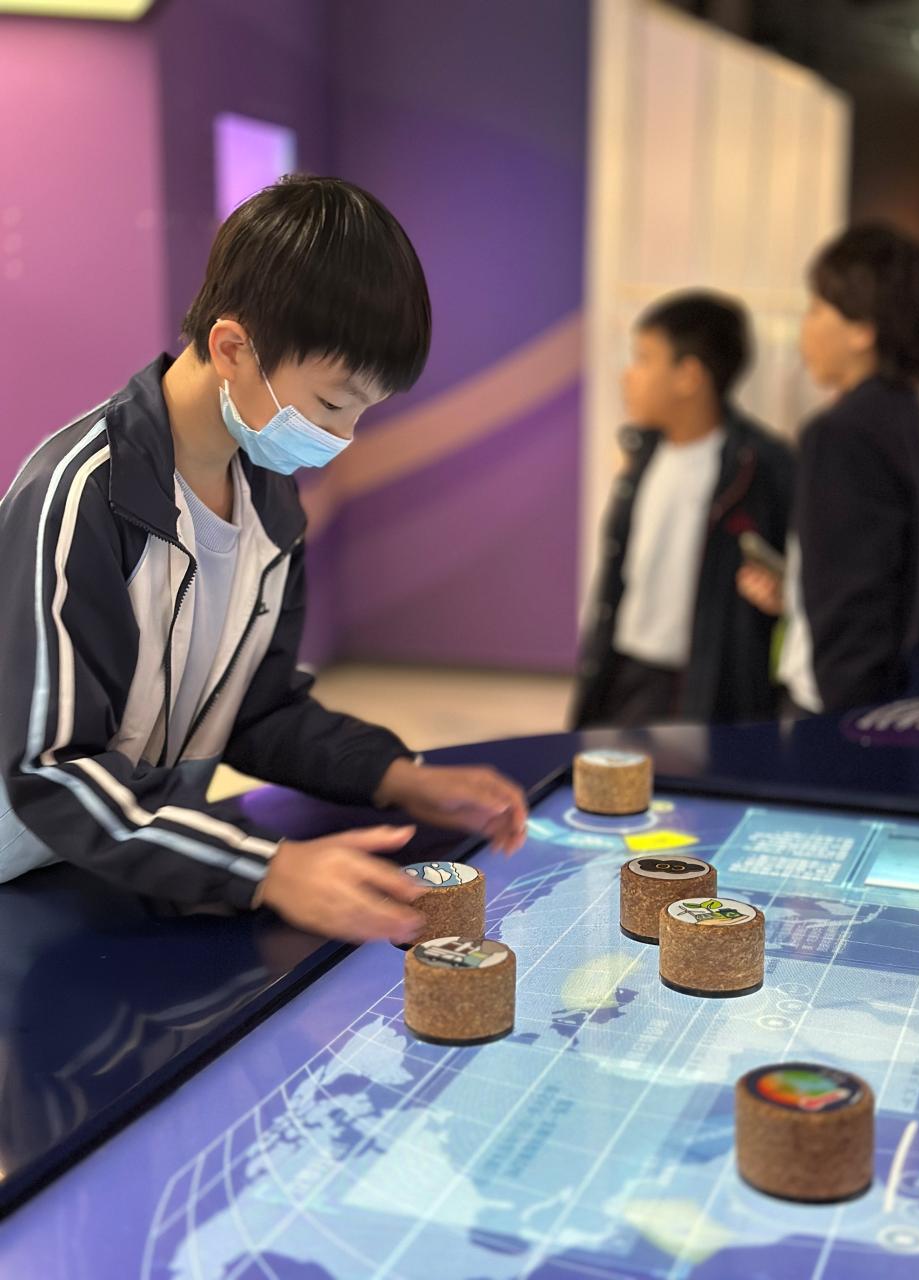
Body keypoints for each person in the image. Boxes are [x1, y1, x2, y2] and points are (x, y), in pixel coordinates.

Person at [0, 175, 527, 942]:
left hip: (126, 870)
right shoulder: (81, 494)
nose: (343, 437)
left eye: (364, 412)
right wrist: (265, 868)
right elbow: (51, 768)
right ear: (233, 348)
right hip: (22, 873)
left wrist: (396, 777)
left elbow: (257, 709)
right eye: (332, 404)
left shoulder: (270, 505)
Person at [738, 223, 919, 715]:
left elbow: (856, 622)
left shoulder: (843, 433)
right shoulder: (917, 424)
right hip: (910, 702)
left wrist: (849, 732)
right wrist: (800, 592)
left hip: (840, 717)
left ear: (862, 330)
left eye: (818, 308)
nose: (807, 327)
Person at [571, 291, 794, 728]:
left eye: (643, 359)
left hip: (708, 686)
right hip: (627, 672)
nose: (628, 376)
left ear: (688, 376)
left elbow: (789, 577)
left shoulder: (761, 466)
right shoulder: (642, 454)